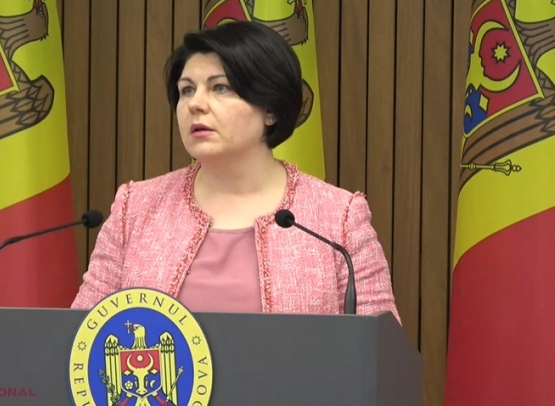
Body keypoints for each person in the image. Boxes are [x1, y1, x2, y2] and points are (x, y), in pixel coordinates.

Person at [70, 21, 400, 323]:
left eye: (220, 88)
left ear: (270, 108)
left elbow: (380, 350)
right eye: (186, 90)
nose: (195, 104)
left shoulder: (337, 218)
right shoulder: (136, 208)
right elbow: (81, 334)